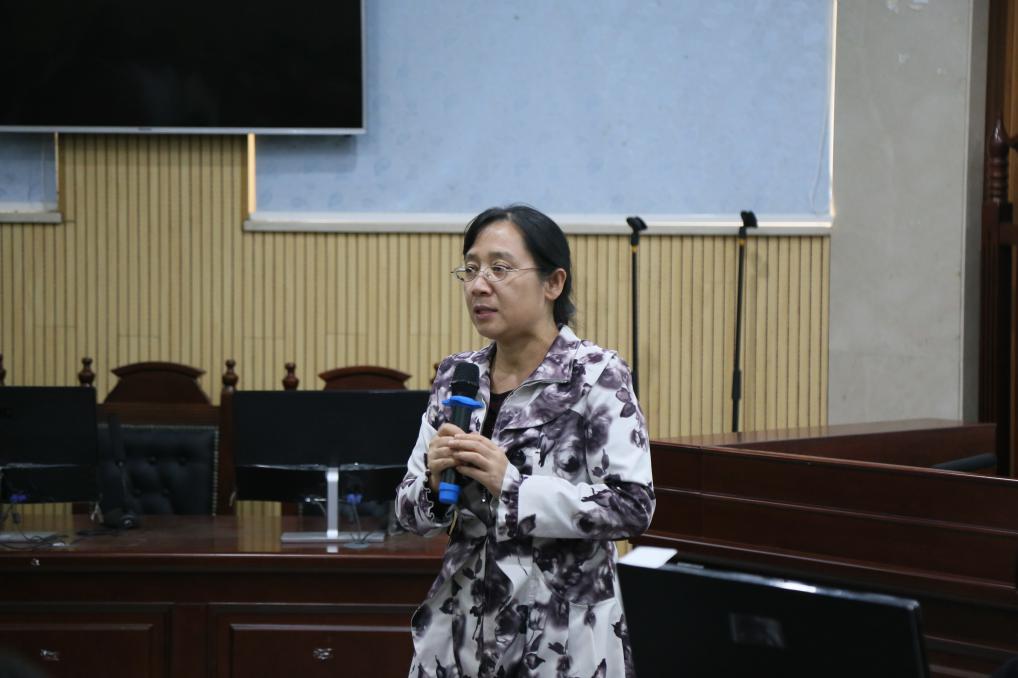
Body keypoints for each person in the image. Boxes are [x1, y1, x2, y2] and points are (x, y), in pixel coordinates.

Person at [396, 204, 655, 677]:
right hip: (463, 631)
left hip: (560, 639)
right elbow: (408, 512)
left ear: (553, 283)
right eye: (471, 269)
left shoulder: (596, 375)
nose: (479, 285)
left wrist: (513, 488)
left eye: (499, 269)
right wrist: (432, 484)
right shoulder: (458, 376)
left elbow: (632, 506)